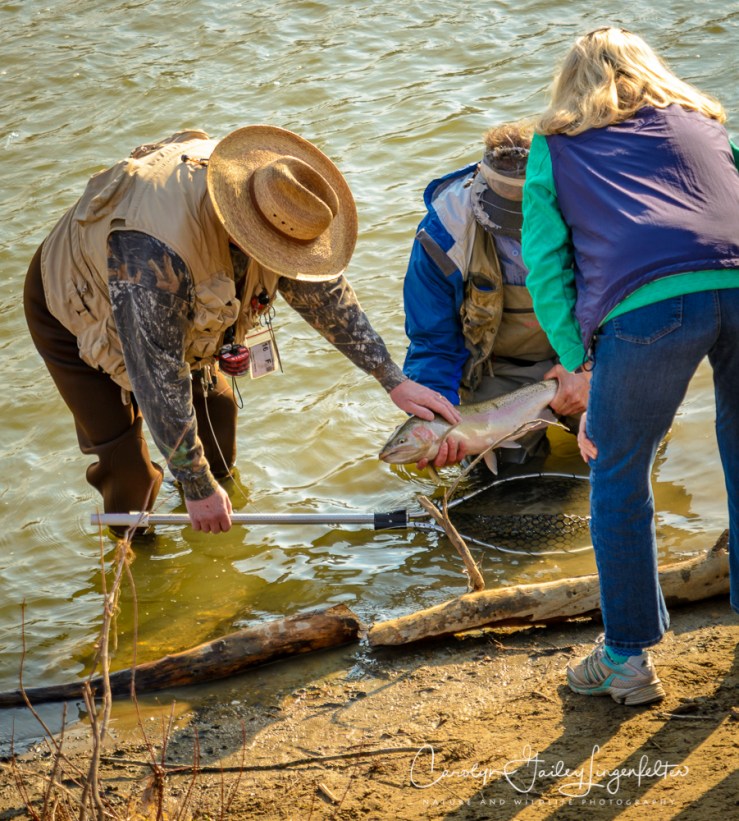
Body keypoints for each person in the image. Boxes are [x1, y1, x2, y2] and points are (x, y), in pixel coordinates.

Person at [24, 125, 459, 535]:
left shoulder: (287, 203)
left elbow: (328, 301)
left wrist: (392, 380)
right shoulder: (154, 256)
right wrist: (195, 485)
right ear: (244, 232)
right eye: (278, 254)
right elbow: (156, 376)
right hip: (75, 304)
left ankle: (217, 519)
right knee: (128, 470)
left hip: (183, 302)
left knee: (218, 418)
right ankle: (132, 556)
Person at [522, 27, 739, 704]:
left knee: (617, 470)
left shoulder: (553, 146)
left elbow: (545, 265)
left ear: (568, 84)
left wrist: (574, 361)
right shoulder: (706, 123)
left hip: (645, 310)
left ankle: (626, 660)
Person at [401, 123, 589, 471]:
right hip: (498, 370)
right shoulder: (443, 233)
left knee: (626, 443)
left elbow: (634, 307)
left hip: (587, 355)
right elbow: (434, 341)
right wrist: (436, 415)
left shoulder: (593, 205)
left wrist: (589, 366)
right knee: (503, 472)